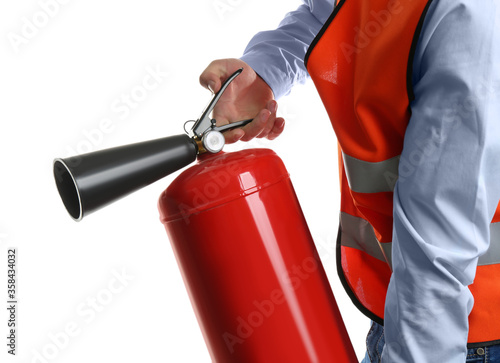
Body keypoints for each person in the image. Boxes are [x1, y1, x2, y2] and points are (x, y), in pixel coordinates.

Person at [199, 0, 500, 362]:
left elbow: (440, 245)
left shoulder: (466, 18)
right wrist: (264, 70)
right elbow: (329, 15)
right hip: (402, 311)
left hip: (459, 333)